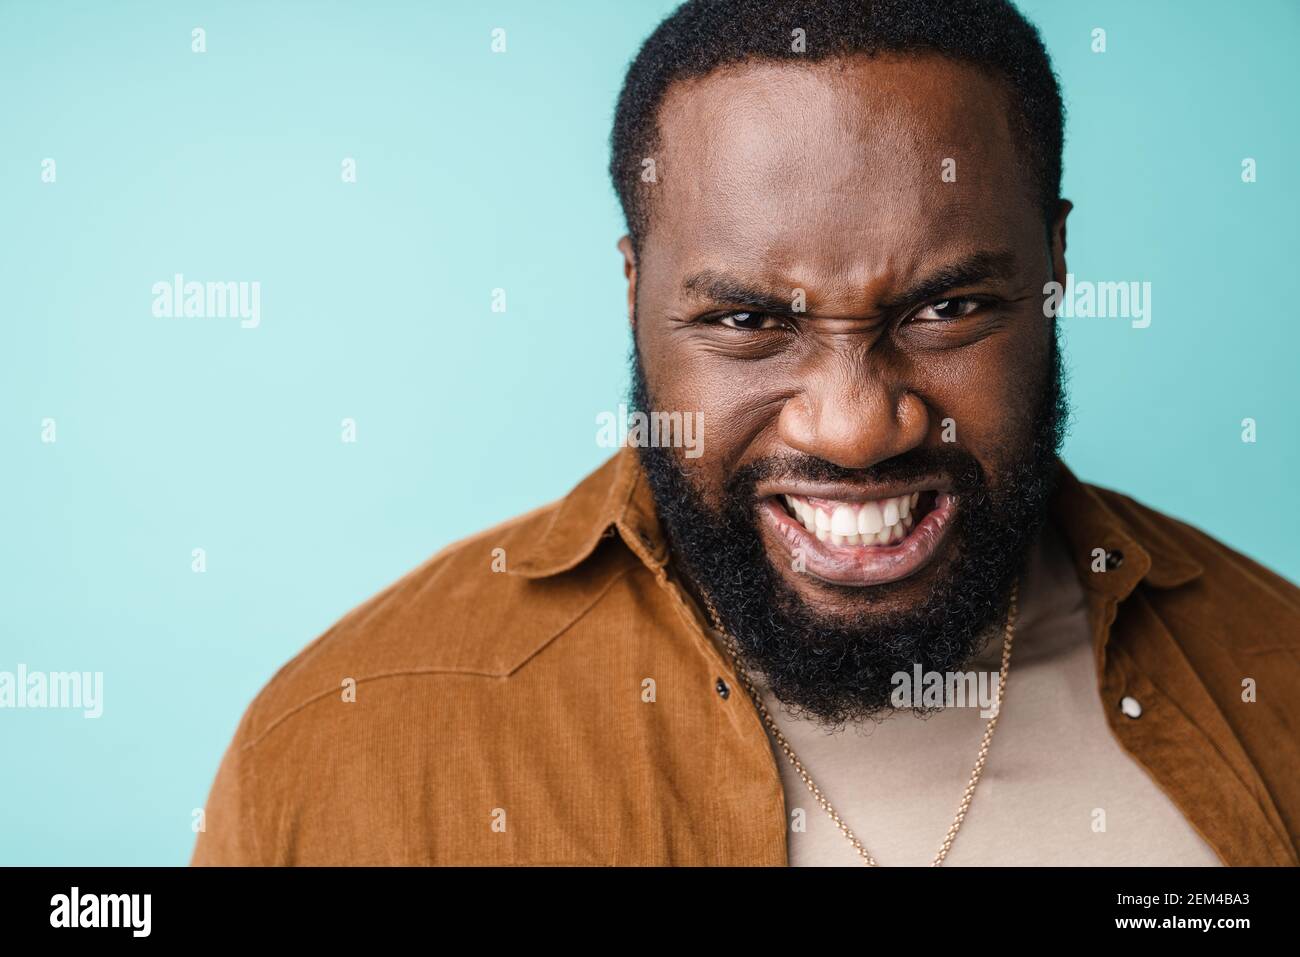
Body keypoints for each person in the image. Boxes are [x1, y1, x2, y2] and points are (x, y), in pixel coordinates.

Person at [192, 0, 1300, 866]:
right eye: (746, 321)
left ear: (1057, 267)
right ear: (633, 290)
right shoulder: (347, 739)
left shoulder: (1275, 675)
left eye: (946, 308)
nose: (858, 426)